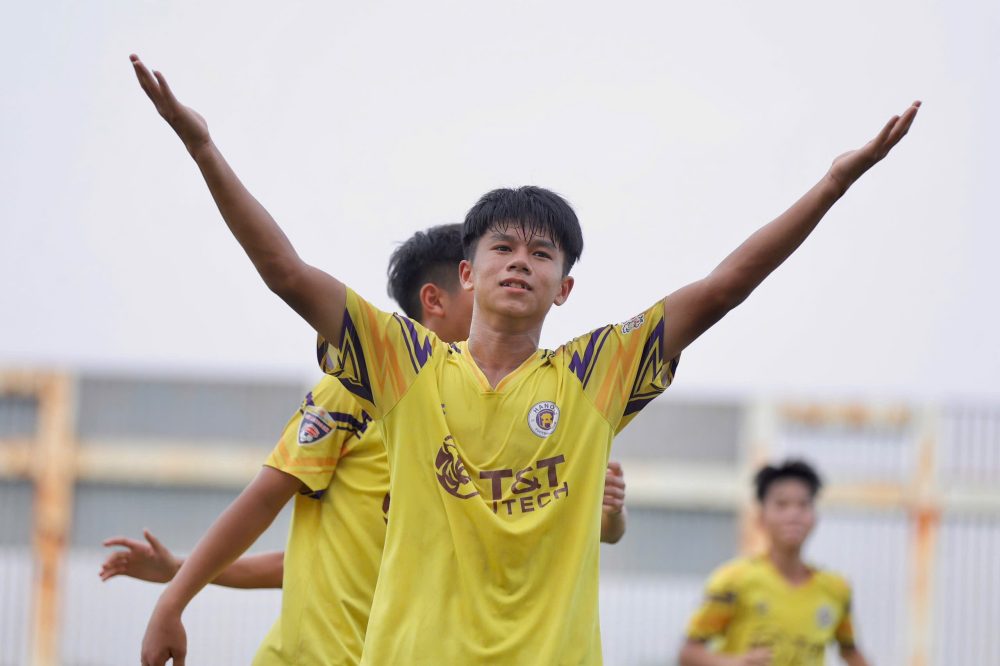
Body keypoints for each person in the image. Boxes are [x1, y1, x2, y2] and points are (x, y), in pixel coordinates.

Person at [130, 51, 918, 665]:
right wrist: (203, 146)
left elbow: (724, 288)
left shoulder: (595, 376)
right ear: (465, 274)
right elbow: (287, 273)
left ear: (564, 287)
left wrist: (832, 183)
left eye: (542, 253)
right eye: (501, 246)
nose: (520, 261)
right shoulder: (405, 366)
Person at [109, 222, 628, 665]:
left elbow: (328, 561)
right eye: (487, 264)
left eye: (534, 257)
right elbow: (265, 498)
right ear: (439, 297)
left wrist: (609, 516)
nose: (509, 276)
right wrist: (176, 597)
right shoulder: (358, 392)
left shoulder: (512, 418)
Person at [679, 460, 869, 666]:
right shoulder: (733, 580)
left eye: (803, 505)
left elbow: (851, 653)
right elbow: (688, 654)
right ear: (760, 517)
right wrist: (736, 663)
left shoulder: (836, 590)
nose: (793, 514)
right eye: (782, 505)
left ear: (814, 517)